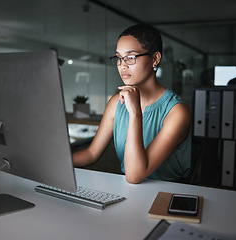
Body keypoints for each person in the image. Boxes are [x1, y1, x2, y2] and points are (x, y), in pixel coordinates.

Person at [73, 24, 191, 184]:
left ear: (155, 59)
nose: (122, 65)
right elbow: (91, 154)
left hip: (167, 196)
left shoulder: (177, 112)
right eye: (118, 58)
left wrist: (135, 113)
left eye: (131, 57)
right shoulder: (116, 103)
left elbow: (134, 175)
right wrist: (52, 162)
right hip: (129, 193)